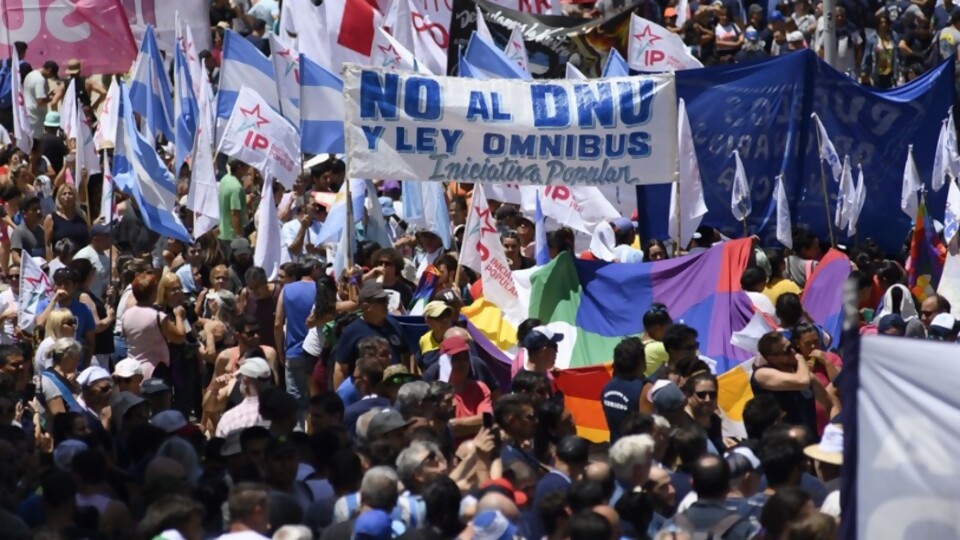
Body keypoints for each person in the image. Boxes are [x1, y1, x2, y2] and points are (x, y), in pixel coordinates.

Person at [333, 281, 410, 391]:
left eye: (386, 299)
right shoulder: (352, 332)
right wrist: (341, 397)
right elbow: (340, 368)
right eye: (381, 301)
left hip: (395, 388)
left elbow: (406, 354)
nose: (386, 303)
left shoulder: (394, 324)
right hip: (367, 391)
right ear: (366, 306)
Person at [752, 332, 830, 436]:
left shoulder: (803, 374)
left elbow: (829, 404)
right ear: (772, 358)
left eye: (791, 346)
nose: (793, 351)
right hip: (780, 443)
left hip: (809, 440)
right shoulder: (762, 374)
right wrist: (800, 359)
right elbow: (802, 381)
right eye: (787, 350)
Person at [668, 455, 757, 539]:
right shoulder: (745, 529)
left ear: (692, 484)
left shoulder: (671, 526)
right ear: (728, 486)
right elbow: (762, 534)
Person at [121, 273, 186, 381]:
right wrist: (179, 316)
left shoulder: (126, 315)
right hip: (155, 370)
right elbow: (180, 337)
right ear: (152, 293)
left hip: (133, 369)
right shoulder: (157, 316)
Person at [35, 268, 95, 363]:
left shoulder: (84, 309)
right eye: (59, 284)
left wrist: (86, 364)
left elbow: (90, 341)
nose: (62, 288)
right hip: (50, 360)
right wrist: (54, 301)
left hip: (75, 362)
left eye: (67, 284)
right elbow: (40, 324)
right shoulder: (45, 304)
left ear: (75, 286)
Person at [443, 335, 492, 440]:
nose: (462, 364)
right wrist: (475, 424)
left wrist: (451, 425)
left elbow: (487, 421)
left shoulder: (480, 388)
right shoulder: (436, 391)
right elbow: (437, 429)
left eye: (465, 358)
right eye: (456, 359)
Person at [602, 337, 647, 443]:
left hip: (616, 448)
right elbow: (647, 432)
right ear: (641, 361)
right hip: (637, 450)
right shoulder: (644, 390)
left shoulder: (607, 389)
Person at [215, 357, 273, 437]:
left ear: (245, 381)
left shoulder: (230, 418)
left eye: (240, 378)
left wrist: (215, 387)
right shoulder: (284, 411)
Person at [43, 183, 89, 259]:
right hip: (61, 261)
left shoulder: (82, 216)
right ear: (59, 197)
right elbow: (47, 246)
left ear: (75, 197)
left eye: (70, 193)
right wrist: (50, 263)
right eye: (64, 194)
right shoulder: (51, 218)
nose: (67, 196)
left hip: (81, 261)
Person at [73, 223, 111, 301]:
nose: (109, 238)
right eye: (106, 236)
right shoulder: (83, 255)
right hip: (86, 301)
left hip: (101, 302)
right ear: (95, 239)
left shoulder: (107, 256)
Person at [219, 160, 249, 244]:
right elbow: (234, 214)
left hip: (222, 233)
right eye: (246, 165)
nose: (248, 168)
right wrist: (239, 237)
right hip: (232, 236)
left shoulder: (224, 179)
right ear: (239, 167)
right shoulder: (236, 187)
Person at [9, 195, 44, 266]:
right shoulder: (19, 232)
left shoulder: (41, 231)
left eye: (39, 208)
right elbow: (15, 258)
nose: (38, 212)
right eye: (34, 210)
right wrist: (31, 266)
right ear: (24, 213)